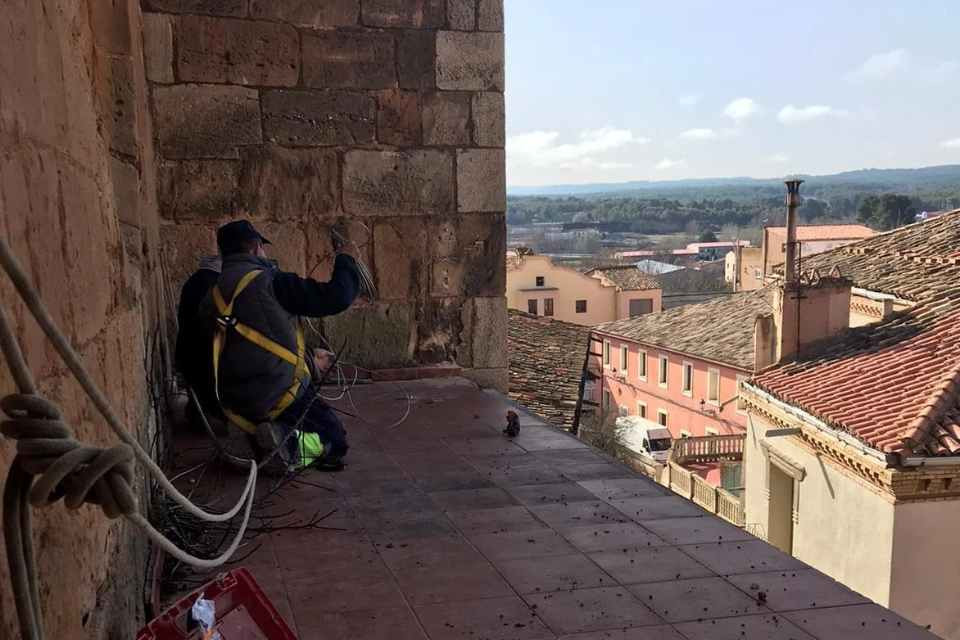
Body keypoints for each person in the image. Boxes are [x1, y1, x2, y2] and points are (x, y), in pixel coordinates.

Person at [197, 219, 361, 473]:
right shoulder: (271, 283)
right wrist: (346, 261)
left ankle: (251, 438)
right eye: (263, 248)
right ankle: (288, 445)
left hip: (235, 399)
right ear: (255, 248)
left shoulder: (212, 294)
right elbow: (336, 297)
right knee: (333, 441)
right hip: (279, 394)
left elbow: (245, 348)